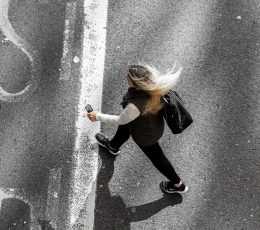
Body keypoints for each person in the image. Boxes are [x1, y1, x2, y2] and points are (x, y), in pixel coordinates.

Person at [87, 64, 188, 194]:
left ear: (136, 84)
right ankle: (113, 146)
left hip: (145, 135)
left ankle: (177, 184)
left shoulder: (134, 106)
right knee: (125, 127)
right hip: (151, 126)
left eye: (128, 77)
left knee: (158, 158)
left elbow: (120, 119)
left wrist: (97, 116)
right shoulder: (155, 89)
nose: (125, 77)